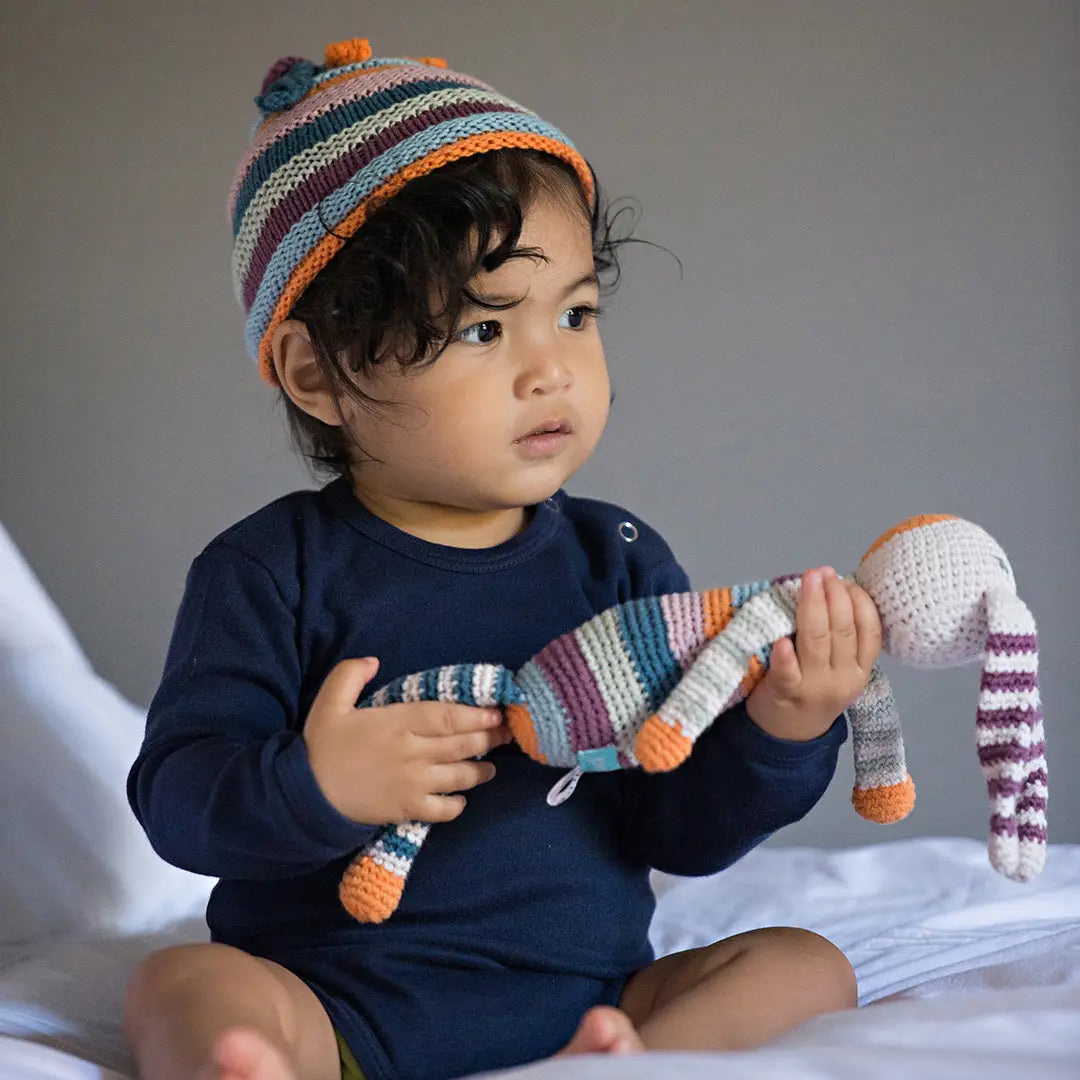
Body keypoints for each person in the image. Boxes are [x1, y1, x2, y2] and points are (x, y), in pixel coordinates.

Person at [124, 37, 879, 1080]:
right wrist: (319, 783)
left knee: (806, 966)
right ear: (319, 372)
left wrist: (780, 731)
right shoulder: (269, 571)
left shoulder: (613, 558)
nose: (551, 370)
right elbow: (178, 796)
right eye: (484, 330)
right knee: (179, 987)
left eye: (574, 314)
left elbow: (678, 830)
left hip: (587, 996)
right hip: (340, 1005)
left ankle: (627, 1061)